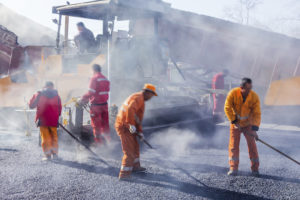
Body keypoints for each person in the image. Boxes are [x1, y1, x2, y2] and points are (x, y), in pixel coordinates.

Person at [115, 84, 157, 180]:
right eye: (151, 95)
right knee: (129, 151)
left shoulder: (141, 100)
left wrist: (140, 132)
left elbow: (137, 119)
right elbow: (129, 110)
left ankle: (135, 167)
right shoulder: (138, 98)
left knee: (135, 147)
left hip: (129, 126)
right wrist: (131, 125)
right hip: (124, 126)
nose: (151, 97)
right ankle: (124, 175)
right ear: (147, 92)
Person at [224, 78, 261, 176]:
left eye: (250, 88)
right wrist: (235, 122)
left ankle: (255, 169)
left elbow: (257, 114)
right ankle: (233, 168)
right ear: (241, 88)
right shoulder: (233, 93)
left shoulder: (254, 97)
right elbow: (227, 108)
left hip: (248, 124)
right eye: (247, 89)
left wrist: (254, 129)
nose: (249, 91)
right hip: (235, 124)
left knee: (252, 145)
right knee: (233, 146)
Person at [29, 81, 62, 161]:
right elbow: (59, 108)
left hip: (43, 119)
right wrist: (56, 117)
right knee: (54, 137)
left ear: (44, 86)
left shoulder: (39, 94)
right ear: (52, 86)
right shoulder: (57, 95)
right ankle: (55, 155)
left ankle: (47, 156)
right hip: (53, 120)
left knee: (45, 138)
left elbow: (31, 106)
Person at [80, 64, 110, 145]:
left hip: (96, 106)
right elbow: (106, 90)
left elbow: (90, 92)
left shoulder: (94, 78)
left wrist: (82, 99)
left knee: (96, 126)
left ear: (93, 70)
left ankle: (99, 144)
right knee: (105, 125)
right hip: (104, 105)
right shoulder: (105, 79)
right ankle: (109, 142)